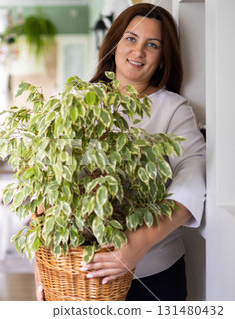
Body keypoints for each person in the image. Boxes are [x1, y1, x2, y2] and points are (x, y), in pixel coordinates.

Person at [34, 3, 206, 301]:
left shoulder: (173, 109)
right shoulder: (78, 101)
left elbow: (192, 178)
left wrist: (138, 244)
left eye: (152, 45)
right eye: (131, 38)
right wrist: (41, 271)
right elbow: (47, 183)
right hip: (76, 277)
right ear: (114, 43)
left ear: (163, 58)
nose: (138, 51)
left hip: (152, 275)